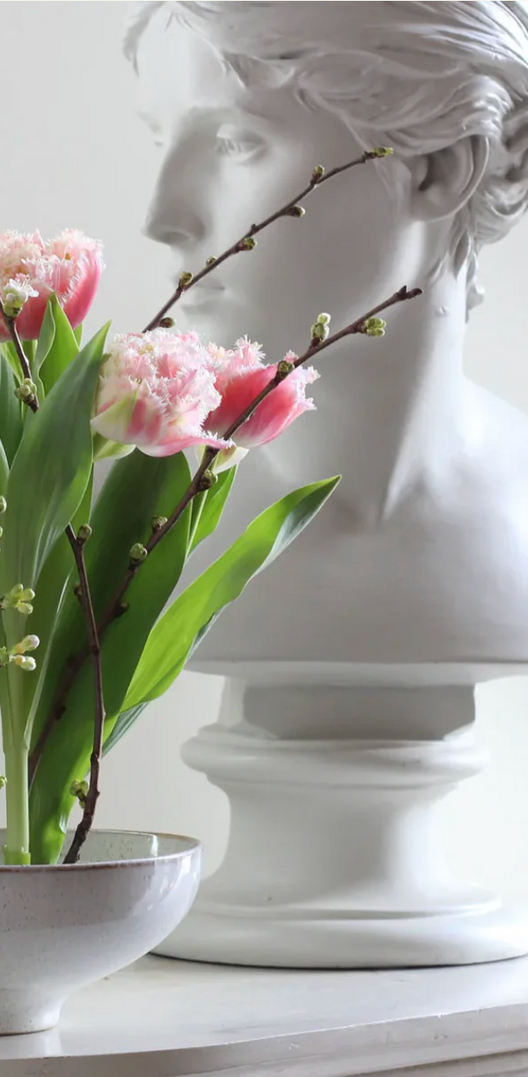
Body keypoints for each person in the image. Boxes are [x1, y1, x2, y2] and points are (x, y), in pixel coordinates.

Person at [125, 1, 528, 663]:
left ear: (441, 165)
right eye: (160, 140)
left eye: (236, 143)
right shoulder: (114, 527)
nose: (161, 217)